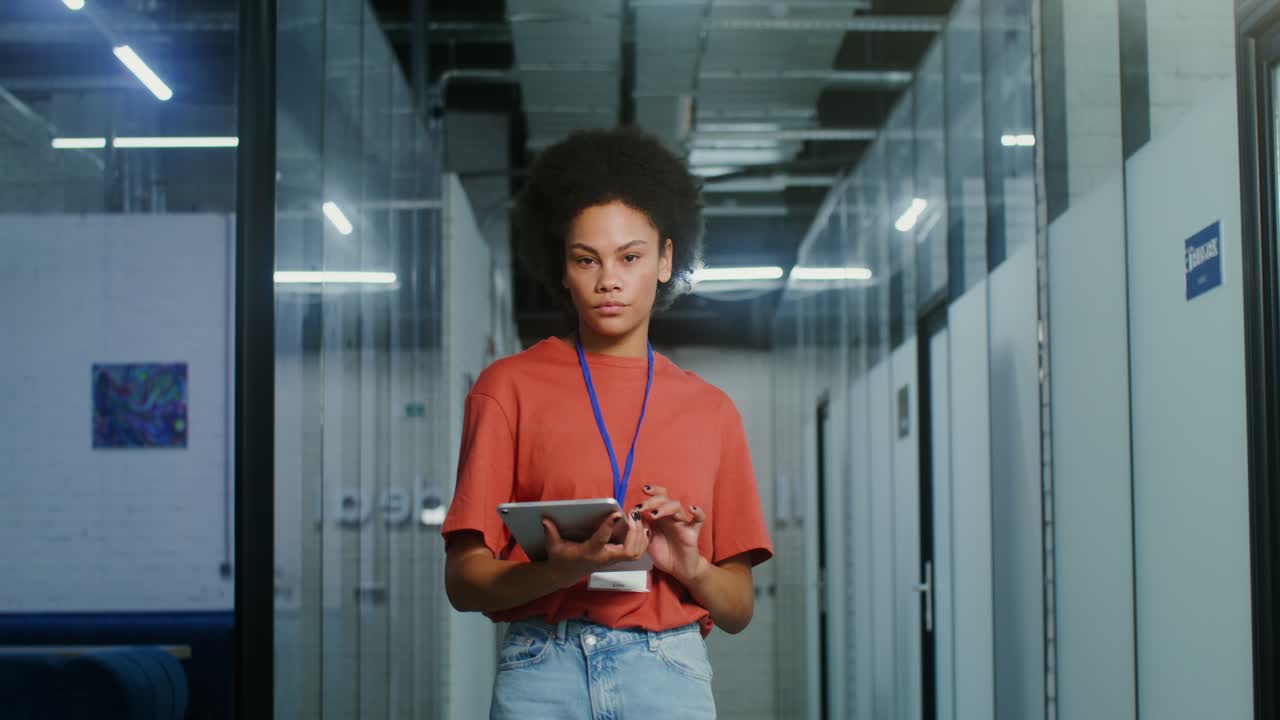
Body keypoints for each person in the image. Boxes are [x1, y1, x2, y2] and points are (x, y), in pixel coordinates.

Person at [442, 126, 773, 720]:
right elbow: (465, 582)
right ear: (561, 267)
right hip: (543, 669)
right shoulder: (506, 389)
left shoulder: (712, 411)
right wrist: (563, 570)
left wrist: (690, 566)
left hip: (667, 672)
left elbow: (738, 607)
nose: (609, 281)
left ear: (667, 260)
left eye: (631, 256)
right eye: (585, 259)